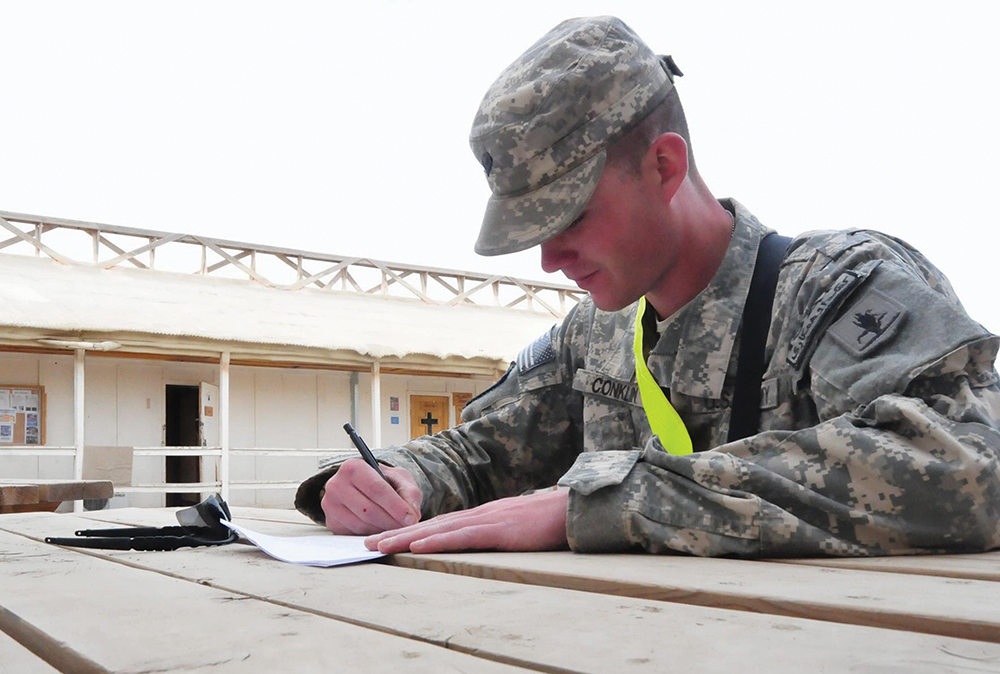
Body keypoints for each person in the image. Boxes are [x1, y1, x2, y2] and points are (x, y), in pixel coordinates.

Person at [295, 16, 1000, 557]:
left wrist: (613, 500)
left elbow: (970, 465)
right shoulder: (593, 335)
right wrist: (389, 480)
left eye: (568, 214)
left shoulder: (835, 290)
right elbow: (479, 452)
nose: (547, 257)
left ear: (663, 166)